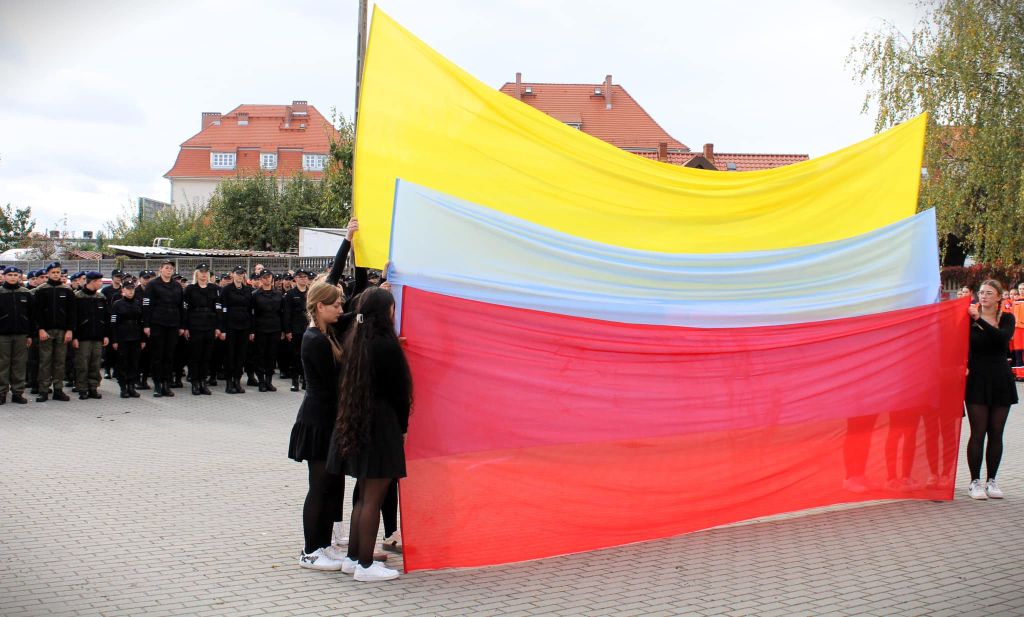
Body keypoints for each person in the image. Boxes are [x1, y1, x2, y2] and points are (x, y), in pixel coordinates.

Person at [330, 287, 411, 582]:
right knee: (373, 499)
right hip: (382, 427)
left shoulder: (355, 339)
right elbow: (400, 393)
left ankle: (354, 558)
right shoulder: (387, 346)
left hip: (358, 422)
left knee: (364, 497)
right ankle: (365, 565)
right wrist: (403, 428)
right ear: (386, 312)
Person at [290, 280, 349, 571]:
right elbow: (332, 385)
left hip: (328, 419)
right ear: (320, 306)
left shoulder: (327, 334)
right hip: (317, 422)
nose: (341, 309)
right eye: (335, 305)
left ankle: (324, 544)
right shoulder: (314, 339)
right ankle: (310, 551)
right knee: (319, 486)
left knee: (331, 485)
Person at [964, 279, 1016, 500]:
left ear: (998, 297)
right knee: (978, 432)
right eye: (981, 292)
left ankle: (991, 480)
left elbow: (1001, 339)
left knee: (996, 432)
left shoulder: (1007, 318)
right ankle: (974, 481)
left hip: (1001, 379)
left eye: (988, 293)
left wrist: (980, 320)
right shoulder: (967, 319)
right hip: (977, 379)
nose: (983, 296)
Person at [32, 261, 74, 402]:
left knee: (60, 361)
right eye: (53, 272)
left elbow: (71, 312)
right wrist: (40, 329)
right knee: (45, 361)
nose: (56, 275)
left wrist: (70, 330)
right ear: (48, 274)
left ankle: (58, 390)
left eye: (58, 272)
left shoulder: (67, 290)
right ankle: (43, 390)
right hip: (46, 331)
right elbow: (37, 312)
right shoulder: (41, 290)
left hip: (62, 331)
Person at [142, 260, 185, 398]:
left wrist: (182, 325)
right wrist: (146, 325)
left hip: (173, 324)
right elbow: (147, 306)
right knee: (157, 356)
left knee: (169, 356)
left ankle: (166, 384)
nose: (169, 270)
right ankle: (157, 385)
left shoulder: (176, 286)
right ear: (160, 269)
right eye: (166, 268)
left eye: (171, 268)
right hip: (157, 323)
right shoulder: (152, 284)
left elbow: (181, 307)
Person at [183, 264, 220, 396]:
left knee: (206, 356)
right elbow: (185, 309)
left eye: (206, 272)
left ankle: (203, 382)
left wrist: (218, 327)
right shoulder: (190, 289)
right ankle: (195, 382)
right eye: (201, 272)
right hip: (195, 325)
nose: (204, 274)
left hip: (210, 325)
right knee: (195, 355)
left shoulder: (214, 288)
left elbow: (218, 309)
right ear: (196, 273)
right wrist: (185, 327)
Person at [72, 271, 109, 400]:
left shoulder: (101, 297)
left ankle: (93, 387)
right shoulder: (77, 297)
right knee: (82, 364)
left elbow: (106, 317)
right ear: (92, 281)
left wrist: (106, 335)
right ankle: (82, 389)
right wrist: (74, 337)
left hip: (97, 336)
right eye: (99, 281)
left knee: (95, 364)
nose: (101, 283)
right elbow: (73, 319)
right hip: (82, 338)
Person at [0, 266, 33, 405]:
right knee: (2, 364)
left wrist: (30, 334)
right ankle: (2, 392)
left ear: (19, 277)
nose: (13, 277)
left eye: (15, 275)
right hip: (2, 335)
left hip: (21, 334)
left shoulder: (26, 293)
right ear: (4, 276)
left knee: (19, 364)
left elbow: (31, 316)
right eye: (10, 275)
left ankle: (17, 393)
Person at [220, 266, 253, 394]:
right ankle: (229, 382)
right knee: (230, 355)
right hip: (230, 326)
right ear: (232, 274)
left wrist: (251, 330)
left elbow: (250, 310)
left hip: (244, 326)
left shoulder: (247, 290)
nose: (240, 276)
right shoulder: (226, 290)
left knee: (241, 355)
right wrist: (222, 329)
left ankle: (237, 381)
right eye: (238, 273)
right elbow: (222, 309)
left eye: (242, 274)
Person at [110, 278, 143, 398]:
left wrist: (143, 339)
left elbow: (142, 321)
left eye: (132, 289)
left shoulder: (138, 303)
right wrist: (114, 340)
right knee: (122, 363)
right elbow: (113, 323)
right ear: (123, 290)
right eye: (128, 289)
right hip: (122, 337)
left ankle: (131, 386)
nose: (130, 291)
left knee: (134, 363)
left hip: (136, 336)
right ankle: (123, 387)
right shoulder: (117, 304)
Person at [252, 270, 284, 392]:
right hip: (260, 328)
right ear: (261, 279)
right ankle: (261, 381)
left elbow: (282, 313)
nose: (267, 279)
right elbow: (252, 314)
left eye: (269, 277)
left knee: (272, 355)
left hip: (275, 328)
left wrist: (283, 330)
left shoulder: (278, 294)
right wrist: (252, 331)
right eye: (264, 277)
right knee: (260, 355)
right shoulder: (255, 294)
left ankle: (269, 381)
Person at [283, 269, 312, 392]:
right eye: (300, 277)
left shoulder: (311, 292)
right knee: (295, 356)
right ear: (295, 279)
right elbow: (287, 314)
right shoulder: (290, 294)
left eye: (305, 277)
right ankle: (295, 381)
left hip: (309, 328)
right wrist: (287, 330)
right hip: (295, 329)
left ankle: (306, 381)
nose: (303, 279)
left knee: (307, 356)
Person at [101, 270, 123, 380]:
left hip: (120, 322)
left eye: (120, 276)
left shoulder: (123, 290)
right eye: (117, 276)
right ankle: (107, 369)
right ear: (112, 277)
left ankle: (116, 369)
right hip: (109, 321)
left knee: (119, 348)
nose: (119, 278)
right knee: (109, 348)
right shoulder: (106, 290)